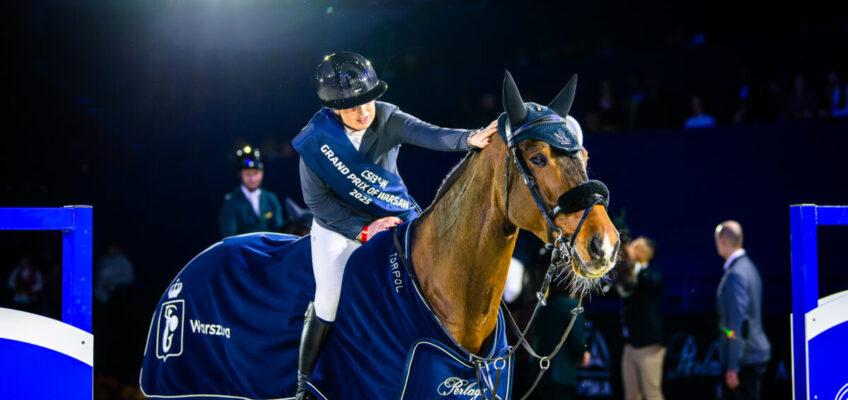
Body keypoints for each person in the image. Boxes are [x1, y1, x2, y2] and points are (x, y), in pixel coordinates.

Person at [291, 51, 497, 398]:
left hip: (394, 214)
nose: (364, 110)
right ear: (333, 107)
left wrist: (469, 139)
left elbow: (429, 134)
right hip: (338, 226)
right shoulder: (316, 141)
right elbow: (317, 203)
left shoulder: (386, 117)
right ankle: (303, 384)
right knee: (328, 298)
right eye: (354, 105)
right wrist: (363, 230)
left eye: (368, 100)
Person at [714, 221, 770, 400]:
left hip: (744, 358)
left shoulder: (736, 274)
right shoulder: (749, 267)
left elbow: (736, 322)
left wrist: (732, 365)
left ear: (722, 241)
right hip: (750, 355)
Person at [616, 236, 665, 400]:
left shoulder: (651, 275)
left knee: (652, 394)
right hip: (630, 346)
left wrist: (633, 266)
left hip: (649, 347)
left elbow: (649, 281)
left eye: (634, 245)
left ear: (644, 253)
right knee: (631, 395)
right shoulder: (627, 274)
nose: (629, 247)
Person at [218, 145, 284, 238]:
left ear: (262, 172)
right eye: (247, 174)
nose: (252, 178)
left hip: (270, 251)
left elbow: (280, 233)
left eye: (256, 173)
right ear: (240, 174)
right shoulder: (230, 203)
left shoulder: (271, 198)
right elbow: (229, 239)